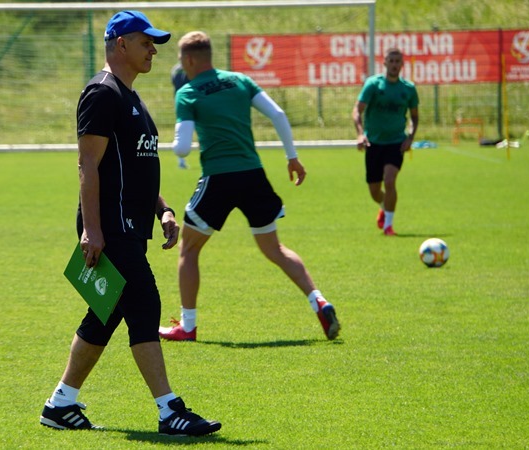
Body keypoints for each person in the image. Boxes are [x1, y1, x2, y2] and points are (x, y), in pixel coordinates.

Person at [39, 12, 221, 437]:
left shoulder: (130, 97)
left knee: (104, 314)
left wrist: (163, 209)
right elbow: (88, 164)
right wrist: (92, 230)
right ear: (120, 44)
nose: (153, 50)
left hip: (130, 225)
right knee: (144, 304)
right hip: (110, 227)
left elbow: (135, 167)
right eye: (145, 42)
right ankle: (169, 410)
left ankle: (60, 404)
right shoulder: (102, 94)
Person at [158, 31, 340, 342]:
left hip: (219, 178)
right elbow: (278, 114)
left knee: (188, 248)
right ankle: (319, 301)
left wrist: (172, 144)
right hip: (254, 175)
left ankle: (187, 326)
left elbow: (183, 148)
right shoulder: (240, 80)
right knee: (274, 249)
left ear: (188, 60)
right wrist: (292, 158)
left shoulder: (187, 92)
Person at [352, 47, 419, 236]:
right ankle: (385, 207)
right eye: (391, 61)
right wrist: (360, 134)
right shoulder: (373, 84)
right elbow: (357, 110)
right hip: (373, 143)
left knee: (389, 181)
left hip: (396, 143)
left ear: (402, 64)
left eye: (398, 61)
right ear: (385, 63)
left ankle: (388, 226)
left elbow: (414, 117)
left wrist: (410, 138)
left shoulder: (408, 89)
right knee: (374, 190)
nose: (394, 65)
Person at [170, 62, 189, 169]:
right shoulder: (186, 72)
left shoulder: (176, 71)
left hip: (180, 104)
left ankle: (181, 161)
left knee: (181, 131)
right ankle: (181, 161)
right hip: (186, 104)